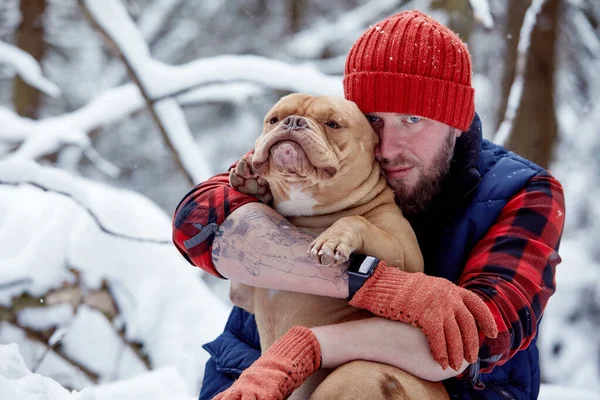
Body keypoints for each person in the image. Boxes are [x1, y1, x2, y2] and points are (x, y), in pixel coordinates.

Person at [172, 10, 565, 400]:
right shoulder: (319, 154)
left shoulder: (523, 192)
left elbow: (478, 336)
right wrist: (375, 283)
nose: (388, 148)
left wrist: (309, 346)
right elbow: (196, 223)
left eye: (412, 119)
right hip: (249, 381)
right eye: (374, 120)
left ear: (455, 122)